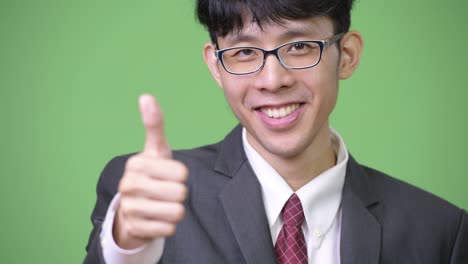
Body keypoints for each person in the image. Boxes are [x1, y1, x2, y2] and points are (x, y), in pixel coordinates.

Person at [84, 0, 468, 263]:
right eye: (244, 52)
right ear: (216, 66)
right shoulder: (147, 201)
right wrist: (128, 250)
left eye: (299, 46)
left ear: (346, 55)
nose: (272, 80)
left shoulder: (440, 233)